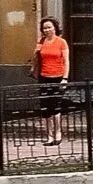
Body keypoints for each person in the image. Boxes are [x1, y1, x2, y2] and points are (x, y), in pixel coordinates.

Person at [33, 18, 70, 146]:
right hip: (44, 76)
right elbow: (36, 59)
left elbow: (66, 61)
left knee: (56, 106)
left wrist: (65, 78)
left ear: (55, 28)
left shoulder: (61, 42)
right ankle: (49, 136)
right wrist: (37, 50)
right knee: (45, 107)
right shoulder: (42, 41)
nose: (47, 30)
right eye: (44, 28)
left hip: (58, 76)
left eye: (49, 27)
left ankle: (58, 133)